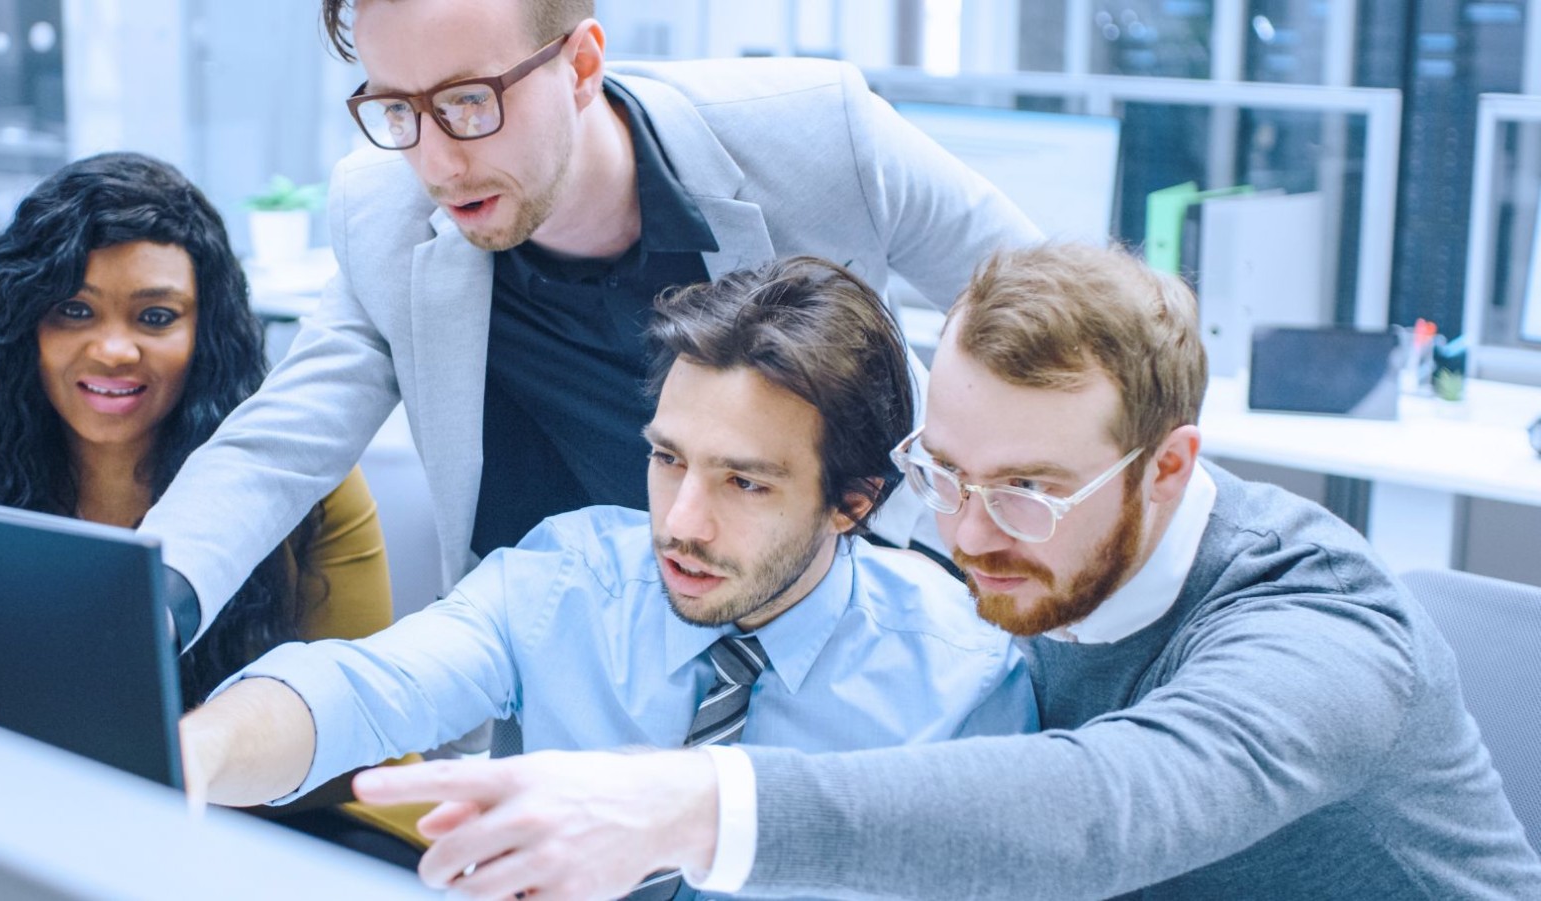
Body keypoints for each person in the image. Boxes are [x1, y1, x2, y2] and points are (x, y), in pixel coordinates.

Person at [352, 243, 1541, 900]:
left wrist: (686, 803)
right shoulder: (1018, 553)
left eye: (1026, 488)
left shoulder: (1323, 633)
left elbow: (1102, 812)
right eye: (947, 472)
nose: (967, 532)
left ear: (1169, 468)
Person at [137, 0, 1041, 652]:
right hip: (584, 670)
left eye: (468, 101)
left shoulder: (815, 133)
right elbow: (278, 440)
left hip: (858, 618)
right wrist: (146, 597)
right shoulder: (385, 215)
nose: (437, 162)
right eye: (397, 110)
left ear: (579, 65)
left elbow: (1058, 315)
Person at [180, 257, 1036, 896]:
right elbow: (367, 686)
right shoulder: (570, 577)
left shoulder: (962, 680)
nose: (681, 522)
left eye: (744, 482)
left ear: (853, 501)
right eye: (668, 458)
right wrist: (199, 751)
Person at [0, 151, 422, 857]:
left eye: (156, 316)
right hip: (34, 834)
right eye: (74, 310)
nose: (113, 349)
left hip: (281, 839)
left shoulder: (309, 485)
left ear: (206, 333)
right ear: (26, 326)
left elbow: (362, 742)